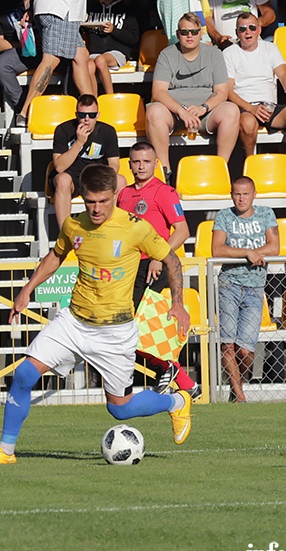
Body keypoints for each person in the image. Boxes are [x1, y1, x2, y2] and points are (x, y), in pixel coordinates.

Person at [0, 165, 193, 466]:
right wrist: (27, 289)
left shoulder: (135, 227)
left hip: (115, 332)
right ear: (82, 196)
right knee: (25, 374)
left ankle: (176, 401)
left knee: (120, 409)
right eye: (90, 201)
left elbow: (171, 260)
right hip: (74, 322)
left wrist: (178, 303)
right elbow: (56, 255)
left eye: (103, 201)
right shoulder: (74, 225)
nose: (96, 208)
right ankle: (6, 450)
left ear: (115, 196)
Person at [116, 141, 201, 400]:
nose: (140, 166)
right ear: (129, 164)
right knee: (126, 327)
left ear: (155, 164)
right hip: (129, 267)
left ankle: (163, 372)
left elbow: (183, 231)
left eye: (146, 162)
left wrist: (158, 255)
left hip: (155, 266)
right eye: (136, 162)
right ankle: (185, 383)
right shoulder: (125, 194)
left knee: (139, 326)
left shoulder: (164, 192)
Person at [146, 12, 239, 182]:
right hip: (174, 112)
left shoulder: (214, 54)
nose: (189, 36)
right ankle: (165, 172)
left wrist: (203, 107)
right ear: (177, 33)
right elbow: (158, 92)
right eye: (184, 32)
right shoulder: (167, 55)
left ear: (201, 33)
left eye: (194, 32)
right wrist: (182, 112)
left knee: (231, 110)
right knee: (154, 112)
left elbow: (221, 92)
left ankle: (221, 169)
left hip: (206, 111)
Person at [211, 176, 278, 403]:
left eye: (245, 194)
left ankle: (236, 383)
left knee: (245, 350)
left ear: (254, 194)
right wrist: (247, 253)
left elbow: (275, 247)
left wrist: (253, 252)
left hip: (256, 286)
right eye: (237, 194)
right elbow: (217, 249)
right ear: (231, 195)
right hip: (229, 284)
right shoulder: (224, 216)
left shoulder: (266, 214)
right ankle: (240, 396)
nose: (241, 198)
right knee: (228, 343)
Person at [224, 12, 286, 179]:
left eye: (252, 27)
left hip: (270, 106)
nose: (248, 32)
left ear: (259, 30)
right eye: (243, 29)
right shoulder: (229, 53)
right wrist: (251, 108)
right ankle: (250, 165)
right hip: (245, 107)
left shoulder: (271, 48)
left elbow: (284, 76)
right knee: (246, 122)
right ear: (237, 32)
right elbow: (227, 90)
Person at [14, 0, 94, 127]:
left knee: (81, 56)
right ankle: (25, 113)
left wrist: (29, 7)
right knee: (51, 60)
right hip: (62, 11)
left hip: (54, 10)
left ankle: (91, 109)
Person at [50, 94, 122, 228]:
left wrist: (102, 179)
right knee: (62, 180)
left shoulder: (107, 131)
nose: (87, 119)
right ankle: (65, 232)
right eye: (83, 115)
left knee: (120, 180)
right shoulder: (63, 130)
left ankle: (112, 228)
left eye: (92, 115)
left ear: (98, 115)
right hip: (72, 177)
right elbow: (59, 166)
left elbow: (114, 164)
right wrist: (79, 143)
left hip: (96, 177)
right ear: (77, 114)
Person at [0, 0, 40, 113]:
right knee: (1, 65)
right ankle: (24, 107)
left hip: (46, 48)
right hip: (20, 52)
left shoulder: (38, 3)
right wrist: (25, 44)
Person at [83, 0, 139, 95]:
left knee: (100, 60)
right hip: (95, 52)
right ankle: (93, 101)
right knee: (89, 65)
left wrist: (114, 30)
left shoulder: (126, 11)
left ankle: (110, 96)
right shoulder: (92, 9)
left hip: (117, 52)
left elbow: (134, 38)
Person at [207, 0, 274, 46]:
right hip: (226, 43)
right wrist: (218, 38)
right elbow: (207, 21)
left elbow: (270, 14)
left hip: (253, 39)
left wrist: (256, 24)